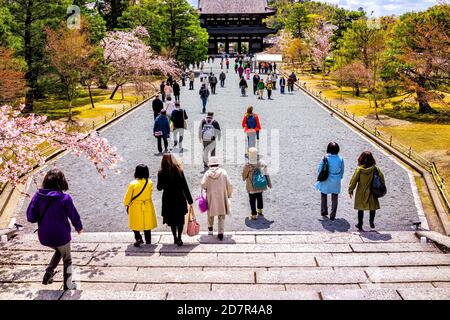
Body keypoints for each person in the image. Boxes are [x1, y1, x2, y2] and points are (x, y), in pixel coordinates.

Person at [26, 169, 82, 291]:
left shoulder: (37, 196)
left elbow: (30, 217)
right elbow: (73, 215)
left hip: (45, 236)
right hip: (61, 236)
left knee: (58, 251)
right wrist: (79, 227)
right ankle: (68, 285)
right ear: (61, 182)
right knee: (67, 258)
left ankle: (48, 273)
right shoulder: (65, 198)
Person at [157, 154, 194, 246]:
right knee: (180, 219)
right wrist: (190, 200)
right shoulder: (179, 171)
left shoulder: (161, 173)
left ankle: (175, 238)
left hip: (168, 199)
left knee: (172, 220)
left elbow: (159, 188)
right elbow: (185, 186)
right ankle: (180, 238)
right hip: (179, 198)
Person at [349, 151, 385, 231]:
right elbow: (382, 179)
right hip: (372, 191)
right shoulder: (376, 169)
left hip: (361, 192)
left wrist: (351, 189)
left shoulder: (359, 169)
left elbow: (353, 180)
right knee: (372, 208)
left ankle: (360, 224)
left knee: (360, 209)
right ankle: (371, 221)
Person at [124, 165, 158, 248]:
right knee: (147, 224)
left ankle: (138, 238)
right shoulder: (149, 182)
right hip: (147, 205)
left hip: (136, 206)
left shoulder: (133, 184)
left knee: (134, 223)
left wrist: (126, 204)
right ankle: (148, 242)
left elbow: (128, 197)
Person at [201, 157, 233, 240]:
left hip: (210, 196)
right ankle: (220, 233)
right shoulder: (223, 172)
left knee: (210, 213)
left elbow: (203, 184)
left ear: (210, 165)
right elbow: (230, 185)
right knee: (221, 215)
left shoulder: (207, 174)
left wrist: (205, 190)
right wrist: (228, 195)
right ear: (218, 164)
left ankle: (210, 229)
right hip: (221, 196)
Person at [315, 142, 345, 221]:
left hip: (326, 179)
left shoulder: (325, 158)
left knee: (324, 194)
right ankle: (333, 215)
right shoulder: (340, 158)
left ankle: (324, 211)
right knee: (335, 197)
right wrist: (340, 177)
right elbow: (342, 170)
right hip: (336, 179)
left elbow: (319, 169)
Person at [242, 148, 272, 220]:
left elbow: (244, 176)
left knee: (252, 200)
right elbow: (266, 174)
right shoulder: (262, 163)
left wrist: (244, 177)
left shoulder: (248, 165)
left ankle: (254, 214)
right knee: (260, 197)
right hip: (260, 185)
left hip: (251, 186)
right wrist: (269, 183)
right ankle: (260, 211)